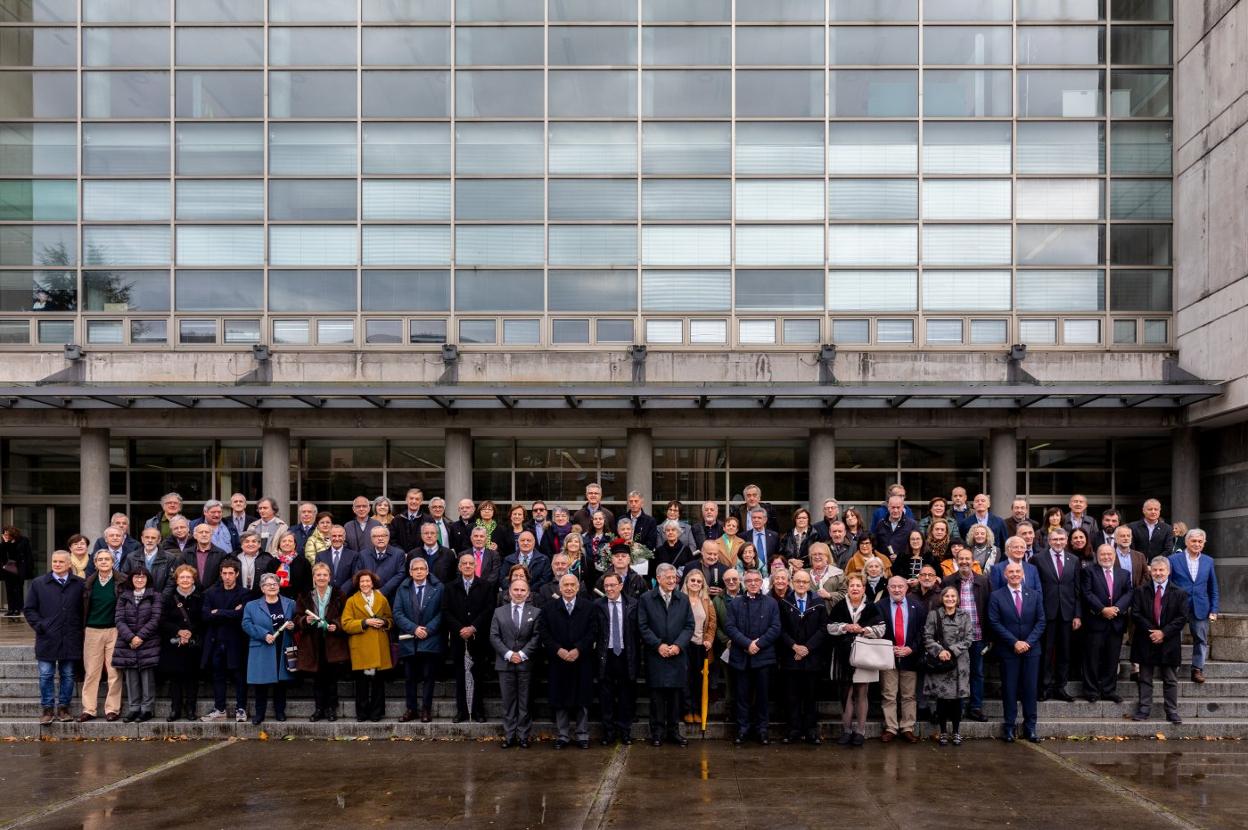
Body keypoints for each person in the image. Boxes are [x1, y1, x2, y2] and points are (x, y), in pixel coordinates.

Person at [638, 563, 694, 747]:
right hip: (656, 655)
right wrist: (658, 645)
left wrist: (678, 645)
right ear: (658, 578)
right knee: (657, 697)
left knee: (676, 697)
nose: (672, 581)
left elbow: (689, 626)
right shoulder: (646, 599)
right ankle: (657, 732)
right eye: (668, 578)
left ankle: (674, 731)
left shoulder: (683, 599)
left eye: (674, 578)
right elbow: (643, 626)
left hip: (677, 655)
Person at [988, 561, 1045, 743]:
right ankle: (1009, 727)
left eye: (1017, 571)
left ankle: (1030, 727)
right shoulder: (996, 596)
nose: (1014, 574)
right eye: (1010, 572)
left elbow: (1041, 621)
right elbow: (994, 622)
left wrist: (1027, 642)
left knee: (1030, 689)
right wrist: (1014, 642)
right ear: (1005, 575)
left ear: (1023, 574)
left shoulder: (1034, 595)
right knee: (1010, 689)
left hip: (1031, 649)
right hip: (1008, 650)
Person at [25, 550, 83, 724]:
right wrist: (41, 626)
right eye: (54, 561)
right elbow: (29, 609)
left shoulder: (79, 584)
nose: (57, 564)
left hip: (71, 637)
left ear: (69, 564)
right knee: (46, 675)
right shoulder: (38, 583)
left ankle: (64, 708)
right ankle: (48, 709)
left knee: (68, 674)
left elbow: (84, 609)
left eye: (60, 562)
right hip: (47, 637)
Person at [827, 574, 885, 747]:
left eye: (858, 585)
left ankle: (860, 731)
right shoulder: (839, 606)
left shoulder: (871, 607)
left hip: (865, 655)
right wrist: (845, 627)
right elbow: (829, 627)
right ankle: (846, 731)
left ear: (863, 588)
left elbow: (881, 628)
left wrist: (864, 630)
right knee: (846, 694)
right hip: (843, 656)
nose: (855, 589)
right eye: (852, 585)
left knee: (862, 693)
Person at [540, 574, 596, 749]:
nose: (569, 588)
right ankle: (563, 735)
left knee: (582, 699)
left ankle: (582, 734)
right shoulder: (549, 608)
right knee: (560, 699)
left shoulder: (588, 607)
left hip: (582, 660)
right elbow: (544, 633)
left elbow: (593, 631)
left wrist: (578, 649)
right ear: (560, 588)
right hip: (559, 661)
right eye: (566, 585)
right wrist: (559, 650)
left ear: (578, 587)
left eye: (573, 585)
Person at [724, 569, 780, 745]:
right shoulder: (735, 603)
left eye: (757, 580)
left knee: (763, 696)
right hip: (741, 656)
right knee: (741, 696)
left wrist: (758, 644)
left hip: (763, 657)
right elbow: (730, 627)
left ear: (761, 582)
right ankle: (742, 729)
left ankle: (762, 730)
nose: (753, 583)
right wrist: (747, 644)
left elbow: (775, 627)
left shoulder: (771, 603)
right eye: (749, 581)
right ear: (744, 583)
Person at [1130, 557, 1188, 725]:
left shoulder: (1180, 593)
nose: (1158, 573)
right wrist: (1153, 632)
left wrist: (1163, 633)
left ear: (1168, 571)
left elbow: (1182, 617)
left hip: (1169, 642)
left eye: (1162, 570)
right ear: (1150, 571)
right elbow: (1136, 614)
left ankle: (1171, 711)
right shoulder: (1140, 591)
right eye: (1155, 570)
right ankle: (1144, 709)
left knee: (1170, 679)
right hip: (1146, 639)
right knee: (1145, 677)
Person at [294, 562, 350, 722]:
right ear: (313, 577)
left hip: (332, 640)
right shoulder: (305, 596)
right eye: (318, 575)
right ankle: (319, 709)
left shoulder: (339, 594)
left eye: (325, 575)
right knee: (317, 678)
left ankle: (332, 709)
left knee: (331, 677)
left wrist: (337, 625)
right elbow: (297, 617)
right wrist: (306, 619)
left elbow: (345, 616)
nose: (321, 578)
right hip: (313, 640)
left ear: (329, 577)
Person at [1033, 527, 1082, 702]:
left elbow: (1077, 590)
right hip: (1046, 613)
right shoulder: (1038, 559)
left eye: (1061, 539)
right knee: (1046, 651)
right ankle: (1044, 687)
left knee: (1064, 652)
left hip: (1068, 614)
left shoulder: (1074, 560)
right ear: (1049, 541)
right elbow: (1035, 589)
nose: (1058, 542)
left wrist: (1077, 614)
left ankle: (1060, 687)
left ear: (1066, 540)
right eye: (1055, 540)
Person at [491, 577, 540, 748]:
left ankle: (523, 736)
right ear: (509, 592)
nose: (519, 593)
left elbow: (536, 637)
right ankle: (509, 735)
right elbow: (494, 636)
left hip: (526, 664)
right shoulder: (499, 612)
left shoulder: (535, 612)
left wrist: (522, 654)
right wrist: (509, 654)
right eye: (516, 590)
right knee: (508, 702)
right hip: (505, 664)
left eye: (522, 590)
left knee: (524, 702)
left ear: (528, 594)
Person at [779, 570, 827, 745]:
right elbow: (780, 629)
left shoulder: (818, 603)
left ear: (809, 584)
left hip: (812, 658)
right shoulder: (784, 603)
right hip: (790, 657)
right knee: (791, 696)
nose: (801, 584)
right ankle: (793, 730)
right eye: (798, 581)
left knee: (811, 696)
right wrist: (794, 646)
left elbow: (823, 629)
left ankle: (811, 731)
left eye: (805, 582)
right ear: (792, 582)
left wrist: (807, 648)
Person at [1079, 545, 1132, 704]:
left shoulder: (1124, 574)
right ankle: (1091, 691)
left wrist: (1116, 609)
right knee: (1092, 658)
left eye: (1109, 554)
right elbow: (1086, 593)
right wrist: (1102, 609)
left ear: (1114, 556)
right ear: (1097, 555)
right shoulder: (1088, 571)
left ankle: (1109, 690)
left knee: (1112, 658)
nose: (1106, 557)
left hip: (1116, 623)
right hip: (1096, 622)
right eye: (1103, 554)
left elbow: (1129, 593)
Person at [393, 557, 443, 723]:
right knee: (409, 677)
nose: (419, 572)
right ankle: (411, 709)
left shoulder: (438, 588)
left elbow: (442, 612)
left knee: (429, 676)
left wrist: (427, 630)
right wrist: (414, 628)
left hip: (430, 639)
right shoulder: (403, 588)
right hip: (409, 641)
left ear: (427, 571)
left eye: (422, 569)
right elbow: (397, 613)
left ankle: (426, 710)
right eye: (416, 569)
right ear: (410, 572)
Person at [200, 559, 250, 723]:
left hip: (236, 641)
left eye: (230, 573)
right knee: (218, 676)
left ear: (236, 574)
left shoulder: (244, 593)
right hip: (216, 641)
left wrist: (218, 612)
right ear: (220, 574)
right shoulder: (210, 593)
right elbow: (206, 616)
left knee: (239, 676)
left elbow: (241, 616)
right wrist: (229, 612)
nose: (227, 577)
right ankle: (219, 708)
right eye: (224, 573)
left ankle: (241, 708)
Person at [445, 553, 493, 723]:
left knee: (477, 675)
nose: (467, 566)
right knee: (460, 676)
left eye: (470, 563)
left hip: (478, 638)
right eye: (464, 563)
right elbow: (446, 611)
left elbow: (488, 609)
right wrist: (460, 628)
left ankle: (478, 710)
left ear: (475, 566)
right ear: (459, 567)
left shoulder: (485, 586)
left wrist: (473, 627)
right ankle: (461, 711)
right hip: (459, 639)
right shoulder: (450, 587)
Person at [340, 569, 393, 722]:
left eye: (367, 581)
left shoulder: (382, 599)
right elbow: (346, 624)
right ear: (358, 583)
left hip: (378, 646)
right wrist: (365, 622)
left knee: (378, 683)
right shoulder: (351, 600)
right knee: (362, 684)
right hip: (361, 648)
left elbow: (390, 619)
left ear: (372, 583)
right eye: (362, 581)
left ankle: (376, 713)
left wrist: (384, 622)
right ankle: (362, 713)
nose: (365, 584)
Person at [877, 575, 925, 743]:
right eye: (893, 586)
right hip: (887, 657)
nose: (897, 589)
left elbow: (922, 632)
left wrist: (911, 648)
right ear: (888, 588)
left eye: (900, 586)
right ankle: (890, 728)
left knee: (909, 695)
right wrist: (887, 647)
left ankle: (907, 728)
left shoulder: (917, 606)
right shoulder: (879, 606)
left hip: (909, 656)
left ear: (906, 588)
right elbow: (875, 630)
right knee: (889, 694)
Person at [240, 572, 294, 724]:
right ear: (262, 588)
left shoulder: (290, 603)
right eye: (268, 584)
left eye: (275, 584)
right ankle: (259, 714)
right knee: (261, 683)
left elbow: (297, 621)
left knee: (281, 682)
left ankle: (280, 711)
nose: (272, 587)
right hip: (263, 646)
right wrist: (264, 634)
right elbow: (246, 624)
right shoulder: (252, 605)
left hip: (282, 645)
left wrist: (293, 625)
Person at [112, 565, 163, 723]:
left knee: (147, 677)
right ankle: (134, 708)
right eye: (136, 577)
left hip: (148, 642)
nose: (139, 580)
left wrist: (140, 637)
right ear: (131, 579)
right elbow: (119, 619)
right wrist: (130, 637)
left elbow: (155, 619)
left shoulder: (155, 596)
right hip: (127, 643)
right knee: (131, 677)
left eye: (143, 577)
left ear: (147, 579)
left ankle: (147, 709)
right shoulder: (124, 596)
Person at [1168, 529, 1219, 684]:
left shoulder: (1208, 561)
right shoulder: (1173, 559)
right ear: (1186, 542)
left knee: (1200, 639)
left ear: (1204, 543)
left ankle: (1197, 669)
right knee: (1174, 638)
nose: (1197, 544)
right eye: (1194, 541)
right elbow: (1167, 584)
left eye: (1200, 541)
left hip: (1201, 607)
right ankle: (1172, 668)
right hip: (1178, 607)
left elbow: (1213, 587)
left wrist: (1214, 609)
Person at [925, 585, 972, 746]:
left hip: (959, 663)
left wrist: (951, 650)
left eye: (953, 596)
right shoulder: (934, 615)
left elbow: (969, 638)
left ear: (957, 599)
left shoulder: (965, 615)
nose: (950, 599)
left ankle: (957, 731)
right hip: (941, 662)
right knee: (942, 700)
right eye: (947, 596)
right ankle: (943, 731)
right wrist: (939, 651)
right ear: (942, 598)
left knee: (958, 700)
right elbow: (927, 636)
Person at [79, 549, 123, 723]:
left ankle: (112, 709)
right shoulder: (88, 583)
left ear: (113, 562)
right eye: (100, 560)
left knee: (114, 672)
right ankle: (89, 709)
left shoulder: (122, 581)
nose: (104, 562)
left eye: (107, 559)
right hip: (92, 630)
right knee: (91, 672)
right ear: (95, 563)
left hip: (115, 630)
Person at [596, 572, 639, 745]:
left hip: (625, 655)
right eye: (606, 586)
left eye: (613, 585)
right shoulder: (598, 605)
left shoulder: (633, 604)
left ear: (621, 586)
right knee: (606, 697)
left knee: (625, 696)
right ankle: (608, 732)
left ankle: (625, 731)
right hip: (605, 656)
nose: (609, 589)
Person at [159, 564, 204, 721]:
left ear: (193, 580)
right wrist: (178, 631)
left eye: (188, 577)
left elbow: (203, 619)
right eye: (182, 577)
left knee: (192, 679)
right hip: (173, 644)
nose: (185, 580)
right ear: (177, 580)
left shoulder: (200, 597)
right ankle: (175, 710)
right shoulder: (168, 598)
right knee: (175, 679)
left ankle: (191, 709)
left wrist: (191, 632)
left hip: (193, 643)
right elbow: (162, 620)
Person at [680, 569, 717, 725]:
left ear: (703, 584)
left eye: (698, 581)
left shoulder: (707, 601)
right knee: (685, 679)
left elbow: (712, 623)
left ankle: (697, 709)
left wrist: (708, 639)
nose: (695, 583)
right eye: (692, 580)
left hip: (700, 646)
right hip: (683, 645)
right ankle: (687, 710)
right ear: (687, 583)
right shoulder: (680, 599)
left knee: (698, 679)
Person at [359, 525, 406, 602]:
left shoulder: (399, 554)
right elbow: (359, 574)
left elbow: (401, 574)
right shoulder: (363, 554)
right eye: (376, 536)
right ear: (371, 539)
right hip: (367, 596)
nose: (380, 538)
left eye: (383, 535)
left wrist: (383, 590)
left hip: (391, 597)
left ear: (388, 537)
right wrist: (369, 590)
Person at [122, 528, 174, 597]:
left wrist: (161, 599)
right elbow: (124, 578)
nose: (150, 540)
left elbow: (171, 582)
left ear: (159, 540)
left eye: (153, 538)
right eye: (147, 537)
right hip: (136, 600)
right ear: (142, 539)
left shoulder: (169, 558)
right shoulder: (131, 557)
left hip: (161, 600)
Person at [177, 523, 228, 592]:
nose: (204, 534)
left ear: (211, 535)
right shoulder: (186, 554)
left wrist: (210, 591)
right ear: (195, 536)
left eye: (207, 532)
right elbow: (180, 573)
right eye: (201, 532)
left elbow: (222, 576)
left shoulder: (221, 554)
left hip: (214, 595)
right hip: (191, 594)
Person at [410, 521, 457, 586]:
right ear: (421, 535)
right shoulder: (413, 554)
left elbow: (453, 578)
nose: (429, 536)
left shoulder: (449, 554)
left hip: (443, 593)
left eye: (432, 533)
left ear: (437, 535)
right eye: (426, 533)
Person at [315, 525, 360, 593]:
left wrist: (342, 591)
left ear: (344, 537)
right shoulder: (320, 556)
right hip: (326, 595)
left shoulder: (353, 555)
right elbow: (318, 575)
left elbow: (355, 576)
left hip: (346, 595)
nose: (337, 538)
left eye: (340, 536)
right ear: (329, 537)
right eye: (334, 536)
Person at [1, 525, 34, 616]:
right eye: (4, 533)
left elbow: (25, 554)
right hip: (8, 568)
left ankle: (18, 609)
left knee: (18, 589)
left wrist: (29, 568)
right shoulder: (5, 543)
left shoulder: (23, 541)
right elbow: (3, 554)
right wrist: (6, 543)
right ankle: (11, 609)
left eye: (7, 534)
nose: (5, 535)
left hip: (19, 568)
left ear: (12, 533)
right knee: (9, 589)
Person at [236, 530, 277, 599]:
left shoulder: (268, 559)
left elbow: (273, 580)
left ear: (259, 544)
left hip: (261, 598)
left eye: (254, 541)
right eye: (247, 541)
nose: (250, 544)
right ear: (241, 544)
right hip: (237, 597)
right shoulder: (233, 558)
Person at [272, 530, 312, 600]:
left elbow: (308, 585)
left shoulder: (304, 562)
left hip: (299, 601)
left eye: (290, 541)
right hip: (277, 600)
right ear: (279, 545)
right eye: (284, 541)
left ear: (294, 544)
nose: (287, 543)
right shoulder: (273, 562)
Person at [806, 542, 846, 608]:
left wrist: (829, 595)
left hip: (831, 614)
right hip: (809, 615)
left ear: (827, 557)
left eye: (820, 554)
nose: (817, 556)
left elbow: (845, 594)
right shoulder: (805, 574)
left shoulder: (838, 573)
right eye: (814, 554)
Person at [391, 488, 431, 553]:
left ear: (421, 501)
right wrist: (401, 553)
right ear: (406, 500)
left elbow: (431, 539)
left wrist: (418, 553)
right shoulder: (397, 519)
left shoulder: (428, 520)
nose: (414, 501)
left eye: (417, 499)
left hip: (421, 558)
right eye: (411, 498)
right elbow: (392, 540)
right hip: (402, 558)